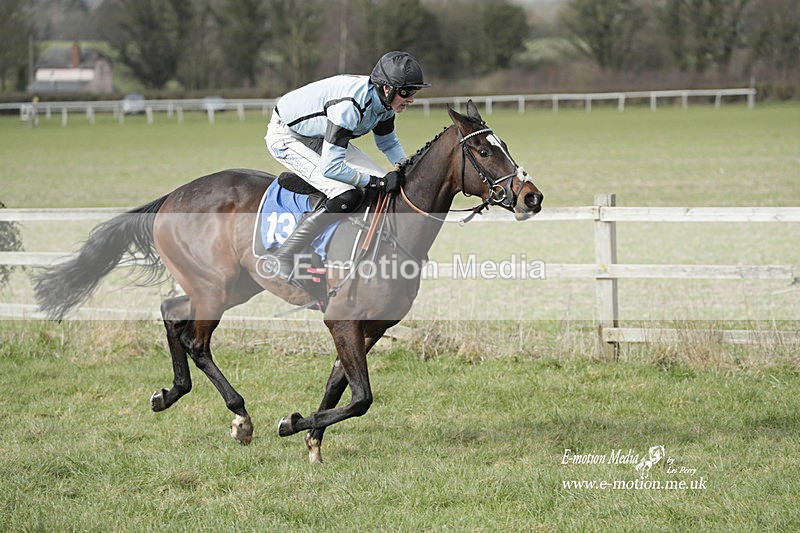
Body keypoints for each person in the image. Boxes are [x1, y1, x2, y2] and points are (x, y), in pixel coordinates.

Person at [263, 50, 430, 284]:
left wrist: (405, 169)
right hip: (288, 136)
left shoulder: (383, 104)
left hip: (319, 135)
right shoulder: (350, 107)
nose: (411, 99)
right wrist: (376, 182)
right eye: (406, 92)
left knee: (383, 187)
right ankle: (285, 254)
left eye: (414, 92)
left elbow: (388, 142)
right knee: (346, 192)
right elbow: (332, 168)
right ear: (386, 89)